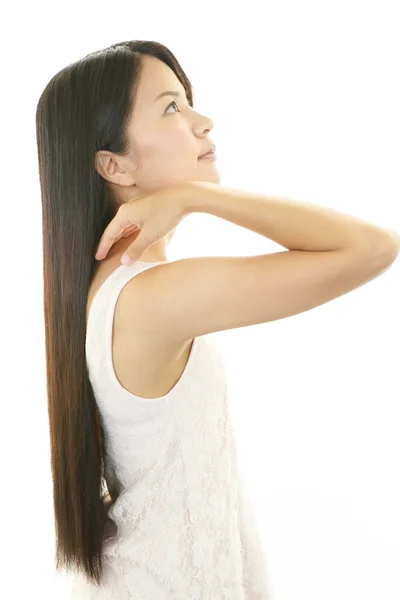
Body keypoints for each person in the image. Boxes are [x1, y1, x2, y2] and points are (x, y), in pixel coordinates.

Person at [36, 39, 398, 600]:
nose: (204, 122)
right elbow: (372, 248)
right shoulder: (150, 299)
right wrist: (199, 201)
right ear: (113, 164)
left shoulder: (118, 293)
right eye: (172, 107)